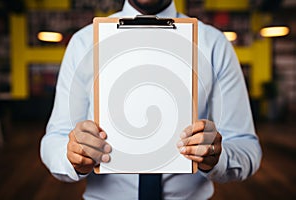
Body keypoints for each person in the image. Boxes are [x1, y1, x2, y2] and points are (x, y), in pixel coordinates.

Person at [40, 0, 262, 199]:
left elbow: (246, 146)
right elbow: (55, 138)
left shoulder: (214, 45)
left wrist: (217, 158)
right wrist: (72, 155)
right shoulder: (83, 43)